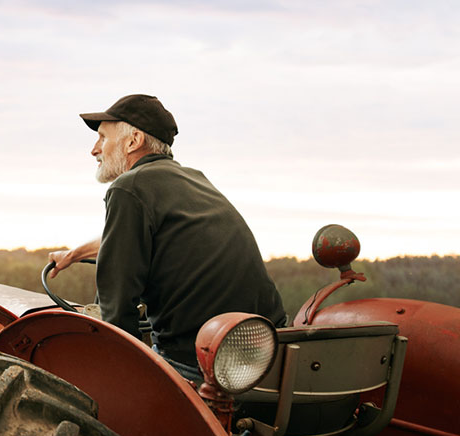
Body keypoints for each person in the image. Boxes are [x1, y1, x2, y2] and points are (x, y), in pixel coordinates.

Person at [49, 94, 287, 382]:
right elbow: (130, 242)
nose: (94, 149)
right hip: (267, 347)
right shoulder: (191, 179)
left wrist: (122, 366)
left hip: (201, 360)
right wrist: (74, 254)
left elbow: (117, 300)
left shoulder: (129, 187)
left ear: (132, 141)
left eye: (102, 137)